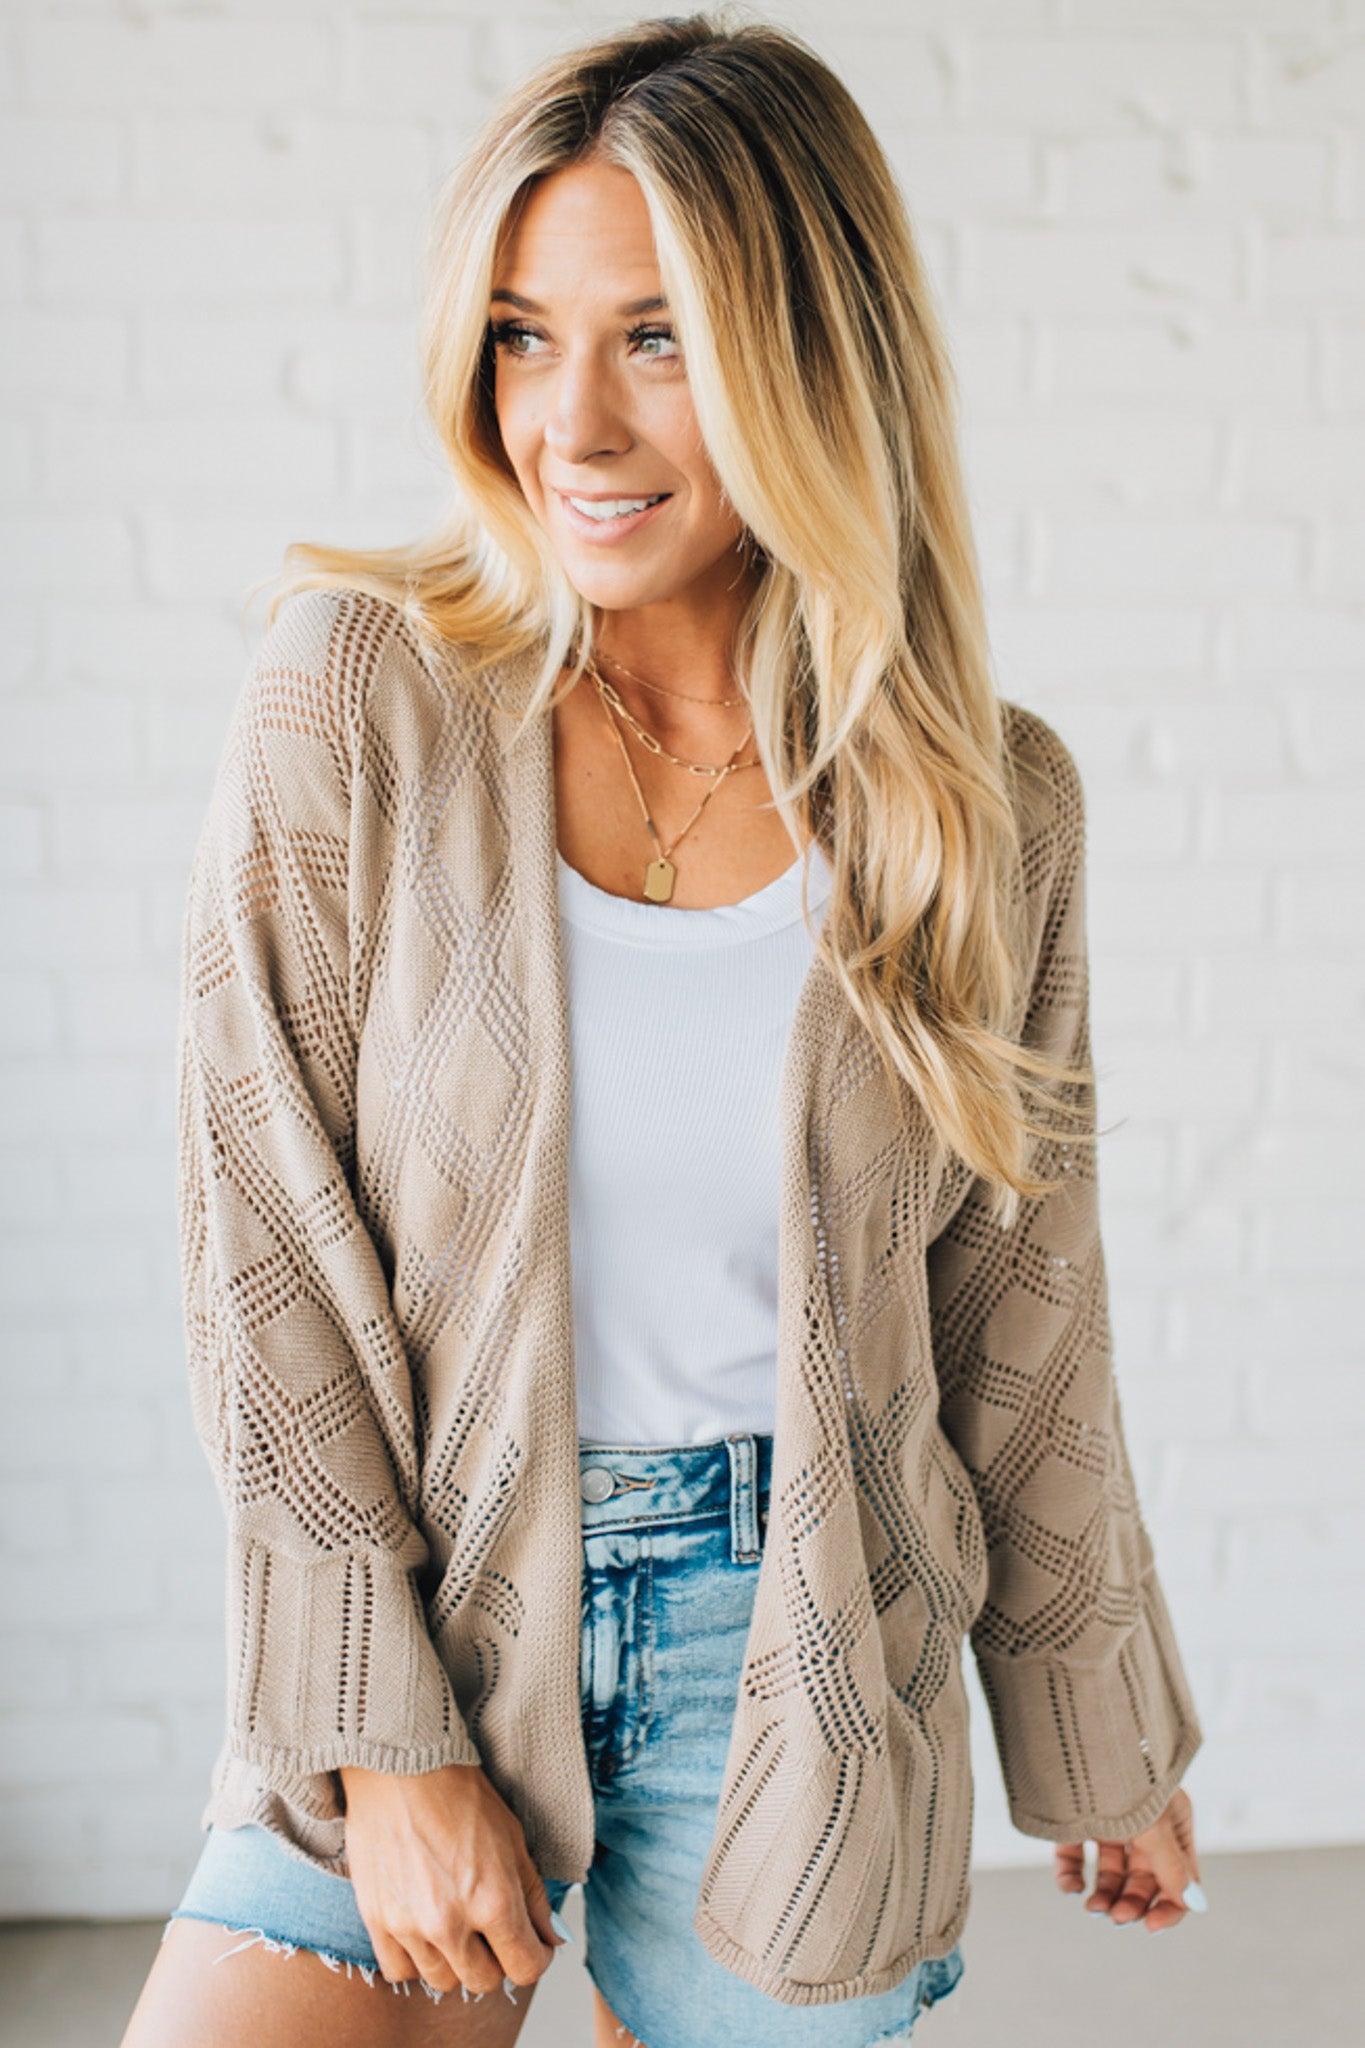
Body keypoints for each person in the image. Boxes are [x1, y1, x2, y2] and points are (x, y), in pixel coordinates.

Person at [119, 11, 1206, 2048]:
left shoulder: (981, 804)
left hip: (805, 1650)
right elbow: (257, 1247)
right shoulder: (356, 700)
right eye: (522, 337)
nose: (574, 425)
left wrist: (1096, 1727)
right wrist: (376, 1735)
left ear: (816, 358)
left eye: (658, 339)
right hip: (444, 1590)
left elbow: (1020, 1306)